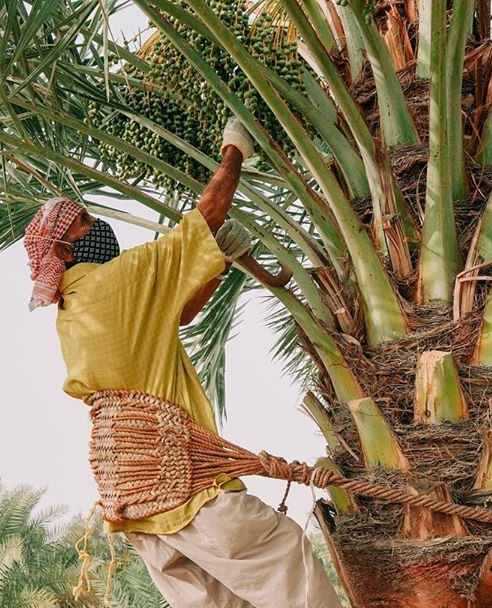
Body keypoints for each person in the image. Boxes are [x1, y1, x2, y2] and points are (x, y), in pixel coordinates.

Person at [23, 117, 341, 608]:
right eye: (86, 220)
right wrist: (234, 147)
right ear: (66, 248)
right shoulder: (121, 278)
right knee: (287, 562)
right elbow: (209, 212)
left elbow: (177, 315)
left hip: (131, 502)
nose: (97, 223)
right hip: (183, 485)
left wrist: (222, 264)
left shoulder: (72, 311)